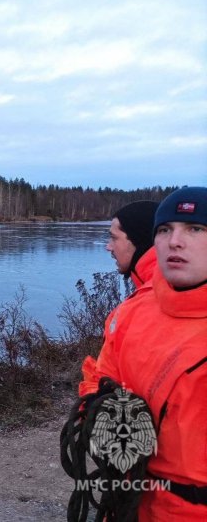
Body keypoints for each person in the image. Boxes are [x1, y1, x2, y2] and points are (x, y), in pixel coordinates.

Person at [82, 187, 207, 519]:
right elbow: (99, 379)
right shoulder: (133, 312)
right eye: (165, 230)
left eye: (195, 229)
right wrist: (99, 411)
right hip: (129, 502)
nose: (174, 241)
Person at [79, 200, 159, 396]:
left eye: (114, 238)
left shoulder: (142, 309)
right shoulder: (157, 291)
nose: (108, 247)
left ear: (139, 241)